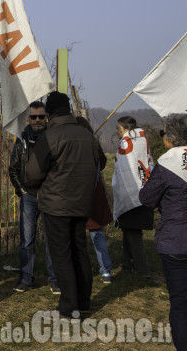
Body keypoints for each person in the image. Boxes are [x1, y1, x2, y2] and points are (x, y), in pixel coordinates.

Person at [25, 91, 99, 319]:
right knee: (80, 252)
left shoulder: (50, 136)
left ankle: (69, 308)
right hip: (82, 203)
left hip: (56, 205)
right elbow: (99, 164)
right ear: (69, 109)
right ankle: (83, 302)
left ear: (48, 113)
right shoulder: (88, 136)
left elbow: (32, 174)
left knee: (62, 255)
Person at [139, 113, 187, 351]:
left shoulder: (167, 163)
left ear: (170, 138)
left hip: (175, 242)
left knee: (179, 303)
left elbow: (146, 198)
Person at [9, 101, 59, 294]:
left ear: (46, 117)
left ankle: (54, 279)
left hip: (49, 196)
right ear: (28, 118)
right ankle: (25, 278)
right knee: (26, 240)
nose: (38, 120)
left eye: (41, 116)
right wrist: (22, 192)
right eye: (34, 117)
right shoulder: (21, 139)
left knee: (52, 239)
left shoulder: (54, 137)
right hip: (29, 195)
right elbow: (13, 169)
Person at [112, 116, 154, 279]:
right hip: (143, 191)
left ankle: (143, 270)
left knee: (134, 233)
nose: (117, 131)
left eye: (119, 128)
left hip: (133, 195)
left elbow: (124, 170)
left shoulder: (127, 142)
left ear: (126, 128)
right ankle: (129, 263)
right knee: (127, 230)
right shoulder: (142, 140)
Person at [76, 116, 114, 285]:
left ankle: (78, 268)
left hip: (79, 195)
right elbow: (103, 163)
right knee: (97, 234)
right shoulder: (94, 144)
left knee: (79, 234)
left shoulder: (76, 146)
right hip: (95, 194)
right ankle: (105, 270)